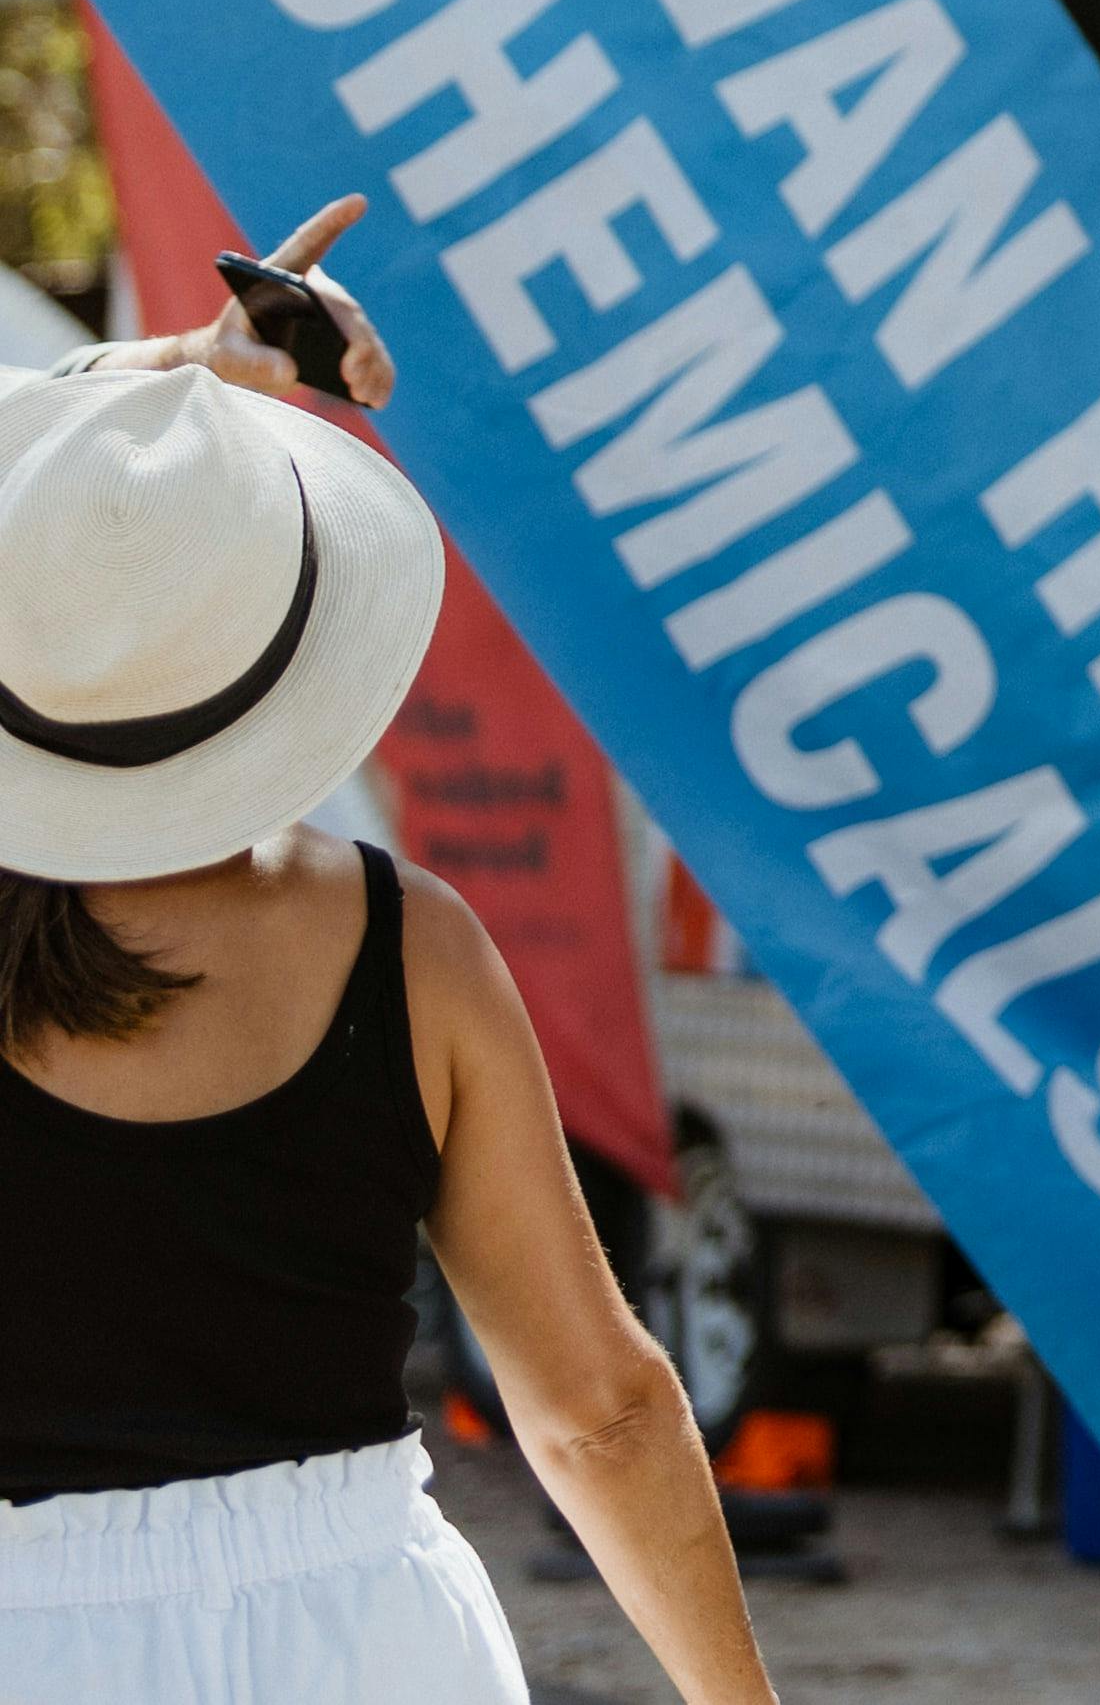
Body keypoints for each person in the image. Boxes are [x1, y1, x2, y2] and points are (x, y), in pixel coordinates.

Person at [0, 199, 778, 1705]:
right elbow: (598, 1409)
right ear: (276, 656)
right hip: (358, 1638)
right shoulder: (406, 945)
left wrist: (171, 389)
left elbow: (53, 548)